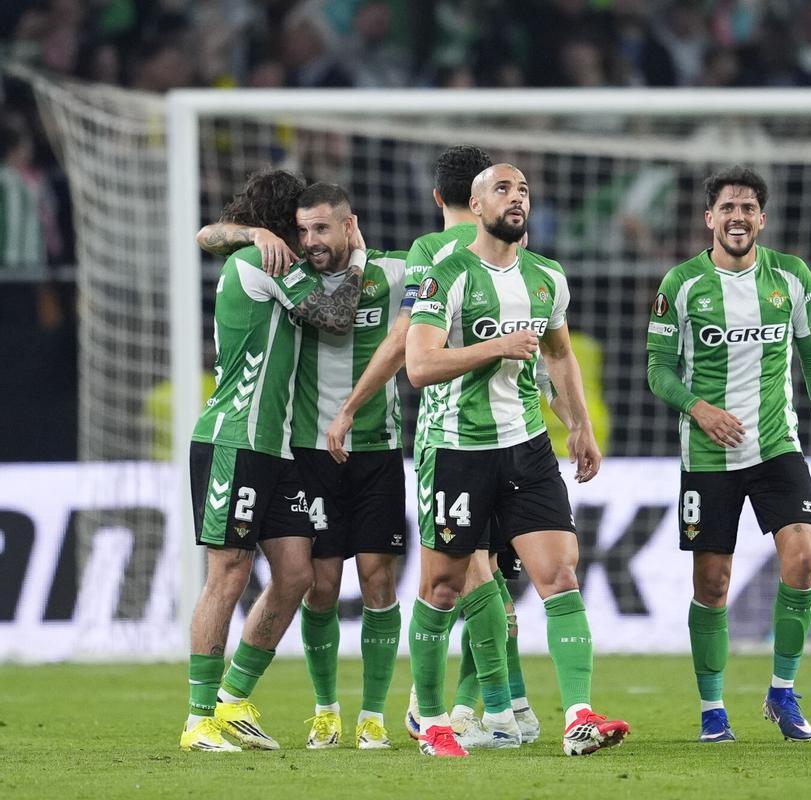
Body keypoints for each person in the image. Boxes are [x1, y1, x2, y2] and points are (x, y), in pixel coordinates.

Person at [326, 145, 549, 749]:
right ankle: (493, 706)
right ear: (480, 197)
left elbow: (403, 342)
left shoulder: (429, 253)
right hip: (517, 436)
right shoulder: (518, 251)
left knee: (471, 574)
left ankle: (475, 708)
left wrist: (350, 406)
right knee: (488, 572)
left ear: (436, 197)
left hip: (448, 441)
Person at [405, 163, 630, 757]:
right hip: (457, 449)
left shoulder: (547, 278)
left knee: (559, 575)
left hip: (527, 448)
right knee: (443, 588)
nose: (517, 198)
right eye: (502, 189)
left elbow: (559, 355)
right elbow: (420, 367)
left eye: (523, 190)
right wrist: (495, 347)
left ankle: (578, 717)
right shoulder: (447, 274)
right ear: (475, 207)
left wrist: (578, 425)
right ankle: (431, 723)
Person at [197, 182, 409, 750]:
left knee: (368, 580)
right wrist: (252, 233)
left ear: (348, 225)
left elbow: (451, 267)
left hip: (376, 449)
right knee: (312, 583)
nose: (310, 240)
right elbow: (209, 235)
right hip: (301, 448)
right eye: (301, 228)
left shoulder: (391, 273)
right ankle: (319, 711)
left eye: (320, 228)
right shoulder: (285, 273)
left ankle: (371, 715)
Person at [645, 166, 811, 744]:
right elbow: (656, 371)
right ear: (709, 218)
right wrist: (698, 408)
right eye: (727, 207)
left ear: (762, 217)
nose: (738, 216)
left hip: (777, 446)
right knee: (712, 582)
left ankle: (782, 691)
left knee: (803, 560)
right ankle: (712, 709)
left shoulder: (791, 277)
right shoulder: (681, 284)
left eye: (748, 207)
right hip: (708, 457)